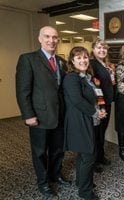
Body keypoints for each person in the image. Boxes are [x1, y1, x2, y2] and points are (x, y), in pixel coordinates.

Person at [15, 26, 70, 197]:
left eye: (54, 37)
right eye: (47, 36)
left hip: (60, 114)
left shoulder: (61, 61)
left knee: (58, 149)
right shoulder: (28, 59)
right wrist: (28, 115)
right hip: (39, 116)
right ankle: (43, 182)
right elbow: (23, 90)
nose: (51, 40)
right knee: (40, 152)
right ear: (39, 39)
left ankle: (55, 174)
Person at [63, 46, 106, 200]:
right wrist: (96, 112)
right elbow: (77, 101)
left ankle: (82, 182)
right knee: (89, 156)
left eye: (85, 57)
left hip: (90, 120)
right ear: (72, 61)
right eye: (79, 58)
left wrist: (101, 109)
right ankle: (85, 193)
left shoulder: (87, 76)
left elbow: (96, 96)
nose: (83, 60)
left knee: (83, 155)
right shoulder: (71, 78)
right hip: (79, 122)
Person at [90, 38, 115, 169]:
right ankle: (94, 161)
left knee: (101, 132)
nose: (102, 50)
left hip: (107, 102)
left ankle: (100, 156)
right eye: (99, 48)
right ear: (93, 49)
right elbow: (94, 87)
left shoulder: (106, 64)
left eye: (104, 48)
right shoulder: (92, 64)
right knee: (96, 133)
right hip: (99, 104)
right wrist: (100, 106)